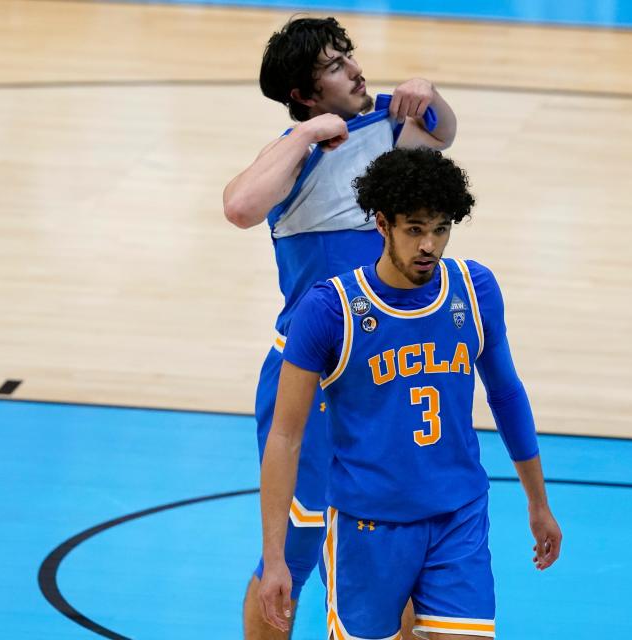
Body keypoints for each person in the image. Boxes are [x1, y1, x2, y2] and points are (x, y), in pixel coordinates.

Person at [258, 147, 563, 639]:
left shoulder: (474, 288)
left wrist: (538, 502)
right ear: (382, 224)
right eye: (415, 229)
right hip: (367, 527)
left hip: (457, 517)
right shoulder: (329, 310)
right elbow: (286, 436)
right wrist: (276, 558)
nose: (429, 244)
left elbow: (506, 396)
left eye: (440, 228)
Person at [222, 16, 458, 640]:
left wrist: (428, 93)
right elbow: (240, 207)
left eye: (348, 56)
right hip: (312, 372)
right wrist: (306, 136)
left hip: (387, 371)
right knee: (292, 556)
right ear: (303, 92)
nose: (354, 69)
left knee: (394, 547)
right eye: (334, 65)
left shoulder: (385, 125)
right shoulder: (291, 151)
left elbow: (443, 133)